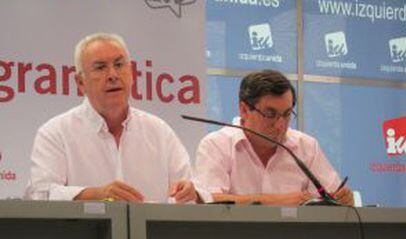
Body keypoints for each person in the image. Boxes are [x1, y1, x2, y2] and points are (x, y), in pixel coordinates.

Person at [25, 33, 202, 203]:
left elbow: (192, 187)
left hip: (153, 234)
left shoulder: (159, 131)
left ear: (131, 74)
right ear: (80, 82)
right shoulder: (56, 133)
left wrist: (188, 192)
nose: (113, 75)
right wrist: (96, 194)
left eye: (119, 65)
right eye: (100, 67)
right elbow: (40, 194)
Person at [195, 69, 354, 206]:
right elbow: (209, 200)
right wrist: (277, 201)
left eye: (286, 114)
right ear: (244, 110)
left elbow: (330, 198)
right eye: (270, 114)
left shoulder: (306, 146)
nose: (280, 125)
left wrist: (342, 200)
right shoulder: (216, 144)